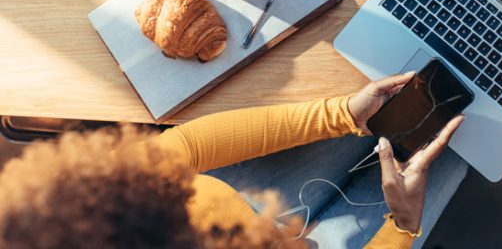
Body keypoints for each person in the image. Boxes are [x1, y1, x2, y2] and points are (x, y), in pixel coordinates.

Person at [0, 73, 467, 248]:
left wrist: (337, 114)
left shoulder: (74, 219)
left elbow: (191, 148)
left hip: (237, 191)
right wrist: (403, 225)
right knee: (458, 149)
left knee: (394, 109)